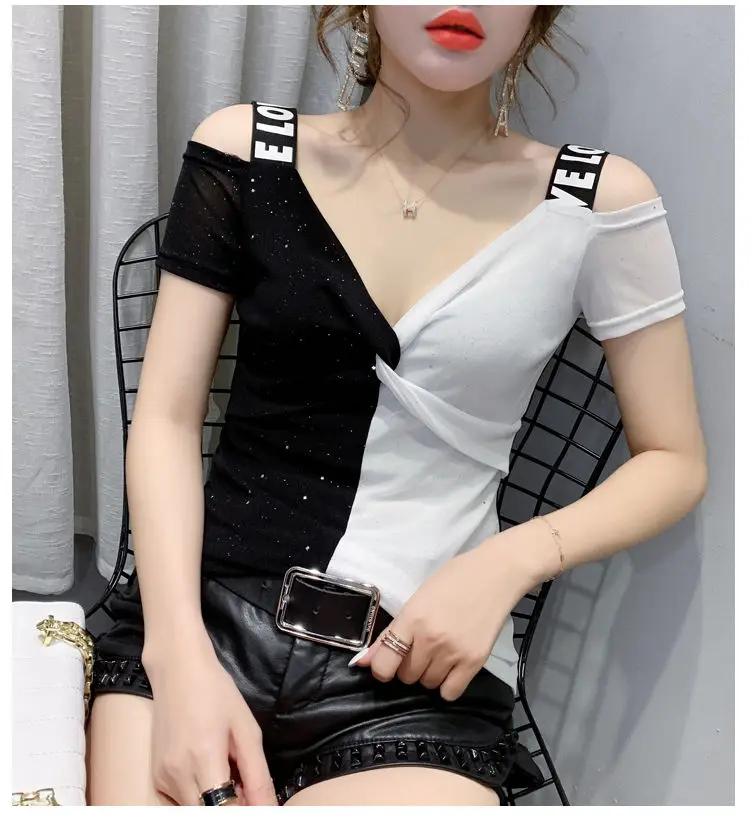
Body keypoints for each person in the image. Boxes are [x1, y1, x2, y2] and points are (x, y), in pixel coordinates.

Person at [86, 5, 707, 807]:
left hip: (417, 668)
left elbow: (674, 460)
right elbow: (168, 420)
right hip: (202, 620)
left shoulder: (597, 200)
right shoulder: (247, 152)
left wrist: (509, 561)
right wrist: (177, 660)